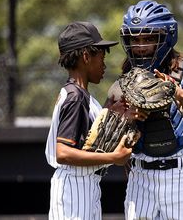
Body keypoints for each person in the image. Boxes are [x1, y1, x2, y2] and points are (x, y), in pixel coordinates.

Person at [105, 0, 183, 220]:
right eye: (135, 39)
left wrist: (181, 96)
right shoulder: (122, 85)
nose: (140, 46)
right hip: (140, 178)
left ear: (168, 37)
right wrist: (124, 120)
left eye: (149, 38)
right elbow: (108, 150)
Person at [45, 21, 134, 220]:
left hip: (82, 185)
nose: (103, 64)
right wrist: (114, 158)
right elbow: (63, 153)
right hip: (74, 188)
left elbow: (89, 137)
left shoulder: (79, 94)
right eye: (101, 57)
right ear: (86, 57)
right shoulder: (76, 97)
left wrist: (113, 114)